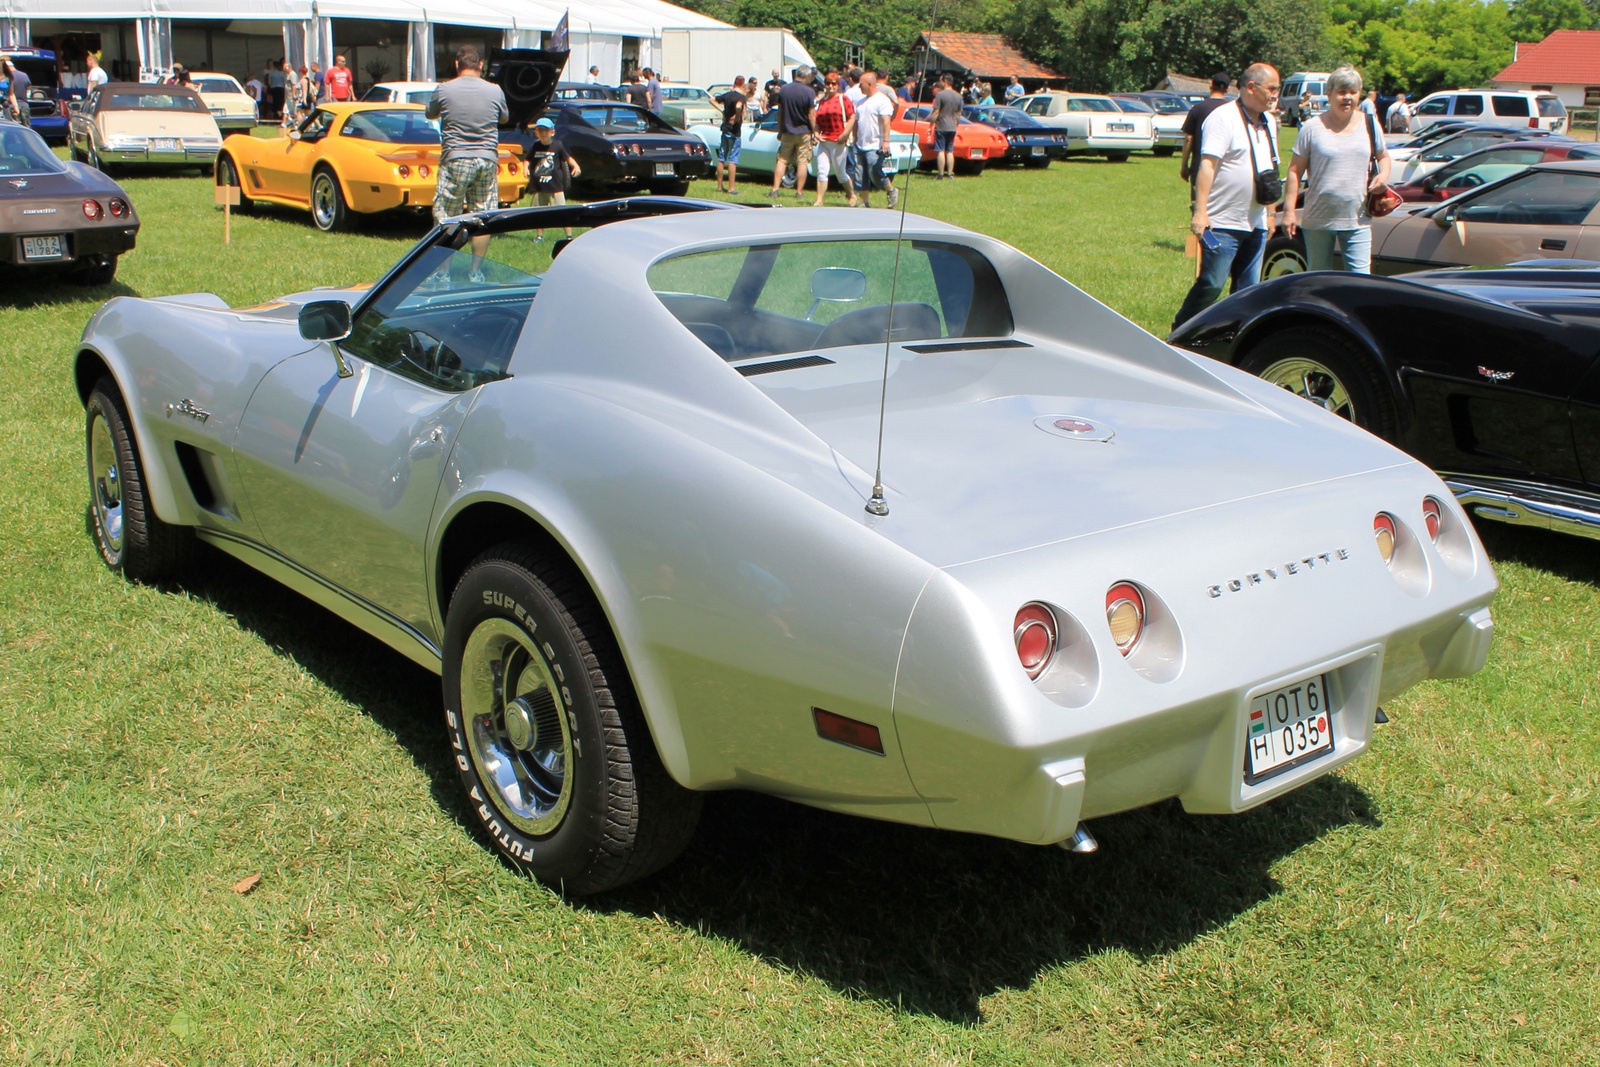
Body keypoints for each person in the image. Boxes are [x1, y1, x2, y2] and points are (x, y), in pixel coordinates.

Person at [1172, 63, 1281, 331]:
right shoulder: (1223, 118)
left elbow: (1269, 171)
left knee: (1248, 290)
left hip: (1255, 223)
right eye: (1272, 88)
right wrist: (1200, 212)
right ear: (1251, 87)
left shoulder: (1270, 122)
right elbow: (1207, 166)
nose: (1276, 94)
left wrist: (1269, 213)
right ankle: (1183, 331)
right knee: (1212, 283)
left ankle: (1231, 340)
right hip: (1219, 222)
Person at [1281, 66, 1390, 274]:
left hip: (1357, 217)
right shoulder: (1312, 127)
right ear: (1329, 94)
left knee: (1360, 281)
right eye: (1341, 92)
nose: (1347, 98)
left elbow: (1383, 157)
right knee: (1319, 280)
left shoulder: (1370, 124)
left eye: (1353, 92)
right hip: (1318, 218)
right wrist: (1289, 212)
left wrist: (1383, 176)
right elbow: (1294, 170)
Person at [426, 46, 509, 280]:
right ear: (480, 65)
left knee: (447, 216)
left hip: (455, 157)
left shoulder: (444, 89)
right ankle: (476, 273)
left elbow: (430, 113)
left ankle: (443, 273)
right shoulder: (495, 90)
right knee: (482, 216)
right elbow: (504, 117)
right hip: (486, 159)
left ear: (456, 64)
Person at [1179, 72, 1233, 199]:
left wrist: (1184, 166)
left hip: (1200, 167)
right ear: (1228, 89)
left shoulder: (1198, 109)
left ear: (1211, 85)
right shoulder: (1232, 110)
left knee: (1198, 206)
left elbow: (1188, 139)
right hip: (1226, 169)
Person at [526, 117, 580, 238]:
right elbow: (527, 159)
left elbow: (567, 158)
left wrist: (576, 166)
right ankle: (539, 236)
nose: (543, 133)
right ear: (536, 132)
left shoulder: (558, 146)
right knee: (538, 213)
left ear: (552, 132)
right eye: (539, 130)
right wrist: (526, 168)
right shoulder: (535, 146)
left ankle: (569, 236)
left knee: (562, 212)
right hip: (539, 186)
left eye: (546, 130)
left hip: (555, 186)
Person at [852, 71, 898, 209]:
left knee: (875, 171)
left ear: (870, 84)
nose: (859, 87)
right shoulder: (860, 102)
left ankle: (891, 190)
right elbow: (856, 122)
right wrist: (854, 138)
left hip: (875, 144)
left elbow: (886, 121)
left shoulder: (882, 100)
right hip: (860, 144)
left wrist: (886, 141)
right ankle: (864, 202)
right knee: (861, 173)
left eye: (861, 85)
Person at [770, 65, 816, 199]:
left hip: (787, 131)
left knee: (782, 160)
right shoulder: (809, 92)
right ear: (806, 76)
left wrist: (780, 130)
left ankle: (775, 189)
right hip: (804, 132)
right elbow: (811, 115)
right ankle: (799, 192)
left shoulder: (784, 90)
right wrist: (814, 132)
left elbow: (780, 112)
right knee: (802, 161)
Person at [812, 72, 857, 206]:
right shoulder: (822, 101)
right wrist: (815, 133)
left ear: (838, 85)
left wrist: (845, 133)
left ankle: (852, 195)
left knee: (840, 173)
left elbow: (852, 117)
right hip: (824, 141)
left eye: (834, 83)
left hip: (838, 141)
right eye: (828, 83)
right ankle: (819, 200)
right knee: (822, 171)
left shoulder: (844, 99)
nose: (830, 86)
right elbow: (817, 121)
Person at [715, 76, 749, 193]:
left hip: (725, 129)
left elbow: (712, 99)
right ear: (743, 85)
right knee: (733, 159)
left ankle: (720, 186)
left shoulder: (728, 95)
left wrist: (722, 111)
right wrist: (738, 116)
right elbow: (739, 106)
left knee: (721, 157)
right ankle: (731, 188)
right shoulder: (741, 97)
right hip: (734, 131)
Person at [929, 73, 963, 180]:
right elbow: (959, 114)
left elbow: (936, 112)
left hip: (942, 125)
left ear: (945, 81)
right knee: (950, 150)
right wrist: (956, 124)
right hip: (952, 126)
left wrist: (931, 125)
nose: (940, 84)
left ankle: (940, 174)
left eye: (941, 81)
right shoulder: (958, 96)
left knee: (940, 150)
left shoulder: (940, 95)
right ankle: (950, 174)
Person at [5, 59, 31, 127]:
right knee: (27, 128)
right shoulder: (24, 75)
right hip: (24, 105)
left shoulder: (6, 77)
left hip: (11, 107)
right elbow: (28, 88)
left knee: (14, 128)